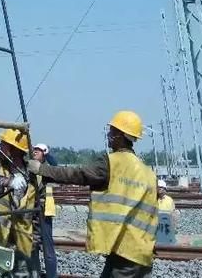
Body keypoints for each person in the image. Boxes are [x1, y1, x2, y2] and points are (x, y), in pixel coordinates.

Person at [27, 111, 158, 278]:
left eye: (112, 131)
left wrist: (42, 169)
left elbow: (78, 174)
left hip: (125, 251)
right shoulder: (147, 172)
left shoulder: (111, 163)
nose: (109, 135)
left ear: (120, 135)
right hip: (142, 250)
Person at [0, 130, 38, 278]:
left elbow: (29, 208)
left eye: (4, 144)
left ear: (14, 149)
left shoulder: (31, 174)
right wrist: (10, 182)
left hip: (20, 241)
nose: (0, 146)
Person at [32, 143, 58, 278]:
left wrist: (48, 154)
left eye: (39, 150)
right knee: (32, 245)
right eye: (34, 149)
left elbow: (56, 168)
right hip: (31, 212)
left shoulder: (47, 170)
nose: (35, 152)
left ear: (44, 154)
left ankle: (51, 275)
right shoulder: (30, 168)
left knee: (48, 249)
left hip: (44, 212)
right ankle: (35, 273)